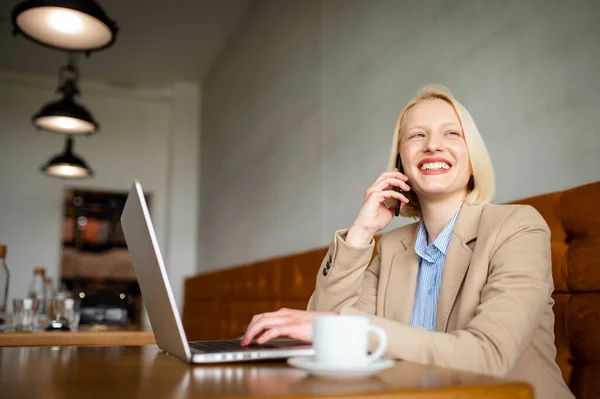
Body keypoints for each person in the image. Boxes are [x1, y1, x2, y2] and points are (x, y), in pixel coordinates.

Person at [240, 85, 573, 399]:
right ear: (401, 164)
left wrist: (345, 327)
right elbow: (327, 328)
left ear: (473, 158)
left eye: (451, 133)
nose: (432, 145)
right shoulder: (390, 247)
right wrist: (361, 232)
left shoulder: (518, 227)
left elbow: (488, 356)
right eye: (417, 135)